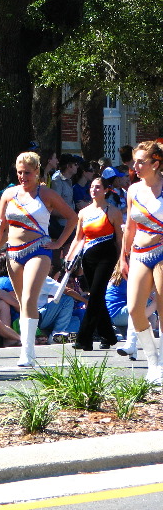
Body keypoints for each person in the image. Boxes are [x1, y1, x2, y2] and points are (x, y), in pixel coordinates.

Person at [0, 152, 77, 367]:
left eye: (27, 173)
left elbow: (73, 218)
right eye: (19, 172)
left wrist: (58, 244)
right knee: (22, 302)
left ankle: (27, 351)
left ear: (37, 171)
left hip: (39, 250)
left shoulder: (46, 194)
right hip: (13, 252)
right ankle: (28, 345)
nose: (23, 176)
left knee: (29, 298)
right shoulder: (9, 194)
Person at [120, 141, 163, 383]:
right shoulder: (133, 190)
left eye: (140, 162)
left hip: (162, 251)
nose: (135, 166)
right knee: (135, 309)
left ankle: (162, 364)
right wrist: (122, 257)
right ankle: (153, 360)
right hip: (138, 252)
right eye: (135, 161)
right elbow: (130, 226)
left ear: (155, 164)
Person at [64, 176, 123, 351]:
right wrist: (69, 258)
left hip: (107, 257)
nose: (94, 190)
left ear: (106, 190)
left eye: (98, 187)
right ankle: (108, 335)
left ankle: (84, 338)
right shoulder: (83, 212)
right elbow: (78, 239)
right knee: (96, 297)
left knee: (96, 295)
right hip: (88, 258)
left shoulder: (113, 212)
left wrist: (121, 261)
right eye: (92, 187)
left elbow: (119, 240)